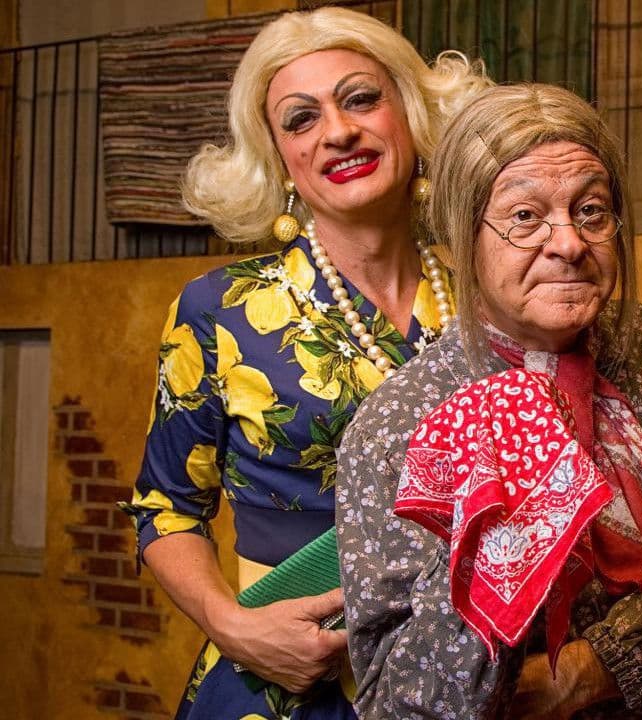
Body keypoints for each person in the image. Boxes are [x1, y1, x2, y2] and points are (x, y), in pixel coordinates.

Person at [335, 82, 642, 720]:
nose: (569, 243)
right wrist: (492, 545)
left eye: (590, 211)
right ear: (463, 237)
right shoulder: (400, 422)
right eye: (525, 217)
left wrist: (589, 670)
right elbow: (397, 700)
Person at [120, 7, 488, 719]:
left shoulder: (489, 299)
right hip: (288, 684)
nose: (338, 131)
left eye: (361, 99)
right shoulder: (219, 311)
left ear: (412, 116)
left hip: (466, 679)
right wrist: (233, 627)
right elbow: (164, 509)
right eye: (300, 118)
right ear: (279, 158)